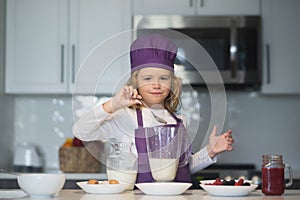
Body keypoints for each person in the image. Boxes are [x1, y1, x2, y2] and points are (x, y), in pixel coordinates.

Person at [72, 34, 234, 183]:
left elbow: (183, 169)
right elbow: (81, 131)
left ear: (172, 82)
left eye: (163, 78)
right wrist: (113, 105)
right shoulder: (125, 116)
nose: (156, 84)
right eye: (147, 78)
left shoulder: (177, 120)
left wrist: (210, 151)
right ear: (136, 81)